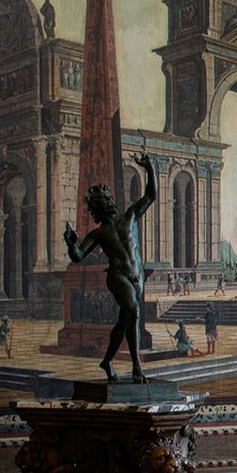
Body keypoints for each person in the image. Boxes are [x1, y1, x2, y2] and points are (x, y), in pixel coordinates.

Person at [64, 152, 159, 382]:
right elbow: (78, 256)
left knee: (124, 322)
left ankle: (107, 361)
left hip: (137, 277)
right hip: (118, 277)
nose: (106, 202)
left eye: (107, 198)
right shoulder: (99, 233)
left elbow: (151, 194)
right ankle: (136, 366)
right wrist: (71, 243)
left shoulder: (130, 216)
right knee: (133, 311)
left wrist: (149, 167)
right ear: (96, 210)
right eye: (101, 202)